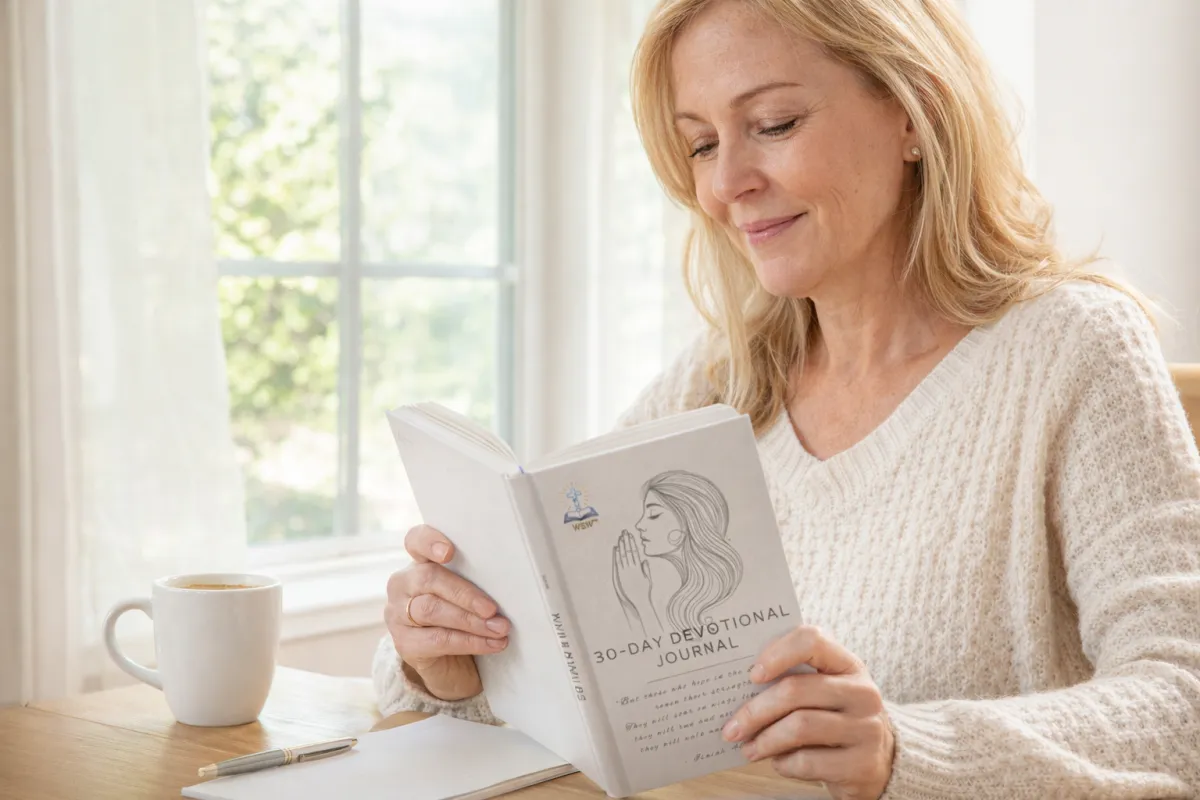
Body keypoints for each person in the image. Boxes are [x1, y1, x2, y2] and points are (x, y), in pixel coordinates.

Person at [375, 0, 1200, 796]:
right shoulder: (721, 378)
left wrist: (907, 752)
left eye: (773, 125)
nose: (726, 183)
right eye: (699, 144)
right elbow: (579, 678)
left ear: (914, 112)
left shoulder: (1071, 352)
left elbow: (1182, 706)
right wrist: (449, 663)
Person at [612, 470, 745, 635]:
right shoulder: (677, 591)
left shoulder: (717, 601)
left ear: (689, 521)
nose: (639, 524)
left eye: (653, 515)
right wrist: (629, 602)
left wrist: (641, 602)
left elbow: (679, 653)